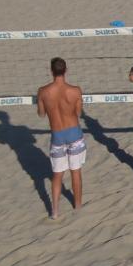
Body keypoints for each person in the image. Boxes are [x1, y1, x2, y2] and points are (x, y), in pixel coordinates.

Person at [36, 58, 86, 219]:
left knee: (57, 175)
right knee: (75, 172)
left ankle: (55, 212)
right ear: (66, 70)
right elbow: (78, 113)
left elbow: (41, 114)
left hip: (57, 135)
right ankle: (78, 206)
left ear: (51, 71)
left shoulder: (43, 91)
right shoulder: (75, 90)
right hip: (74, 133)